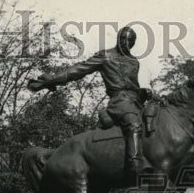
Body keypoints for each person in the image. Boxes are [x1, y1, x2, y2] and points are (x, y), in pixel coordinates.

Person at [28, 26, 145, 181]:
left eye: (130, 41)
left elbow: (132, 86)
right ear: (118, 39)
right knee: (134, 123)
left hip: (135, 102)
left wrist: (144, 92)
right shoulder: (106, 55)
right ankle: (134, 165)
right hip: (119, 102)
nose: (126, 43)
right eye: (123, 39)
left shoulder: (134, 62)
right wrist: (55, 78)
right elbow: (79, 69)